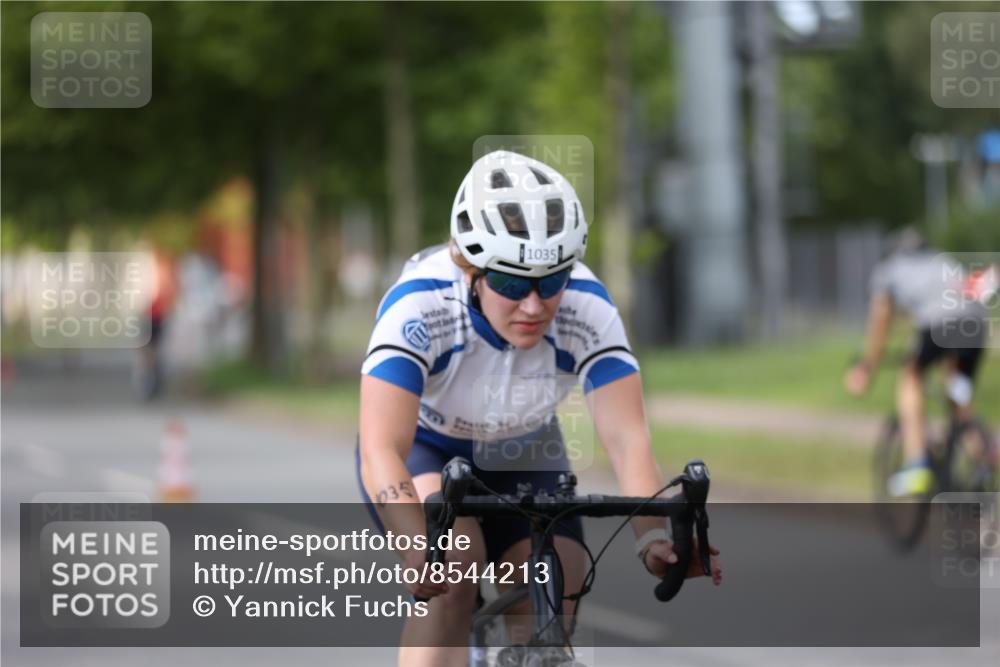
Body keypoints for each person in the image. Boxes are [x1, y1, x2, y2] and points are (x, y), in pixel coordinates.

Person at [356, 150, 721, 666]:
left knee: (558, 579)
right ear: (472, 269)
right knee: (454, 570)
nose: (534, 305)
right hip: (425, 449)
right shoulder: (420, 306)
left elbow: (626, 439)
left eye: (551, 282)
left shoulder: (587, 307)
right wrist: (419, 547)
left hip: (524, 449)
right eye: (510, 283)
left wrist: (654, 539)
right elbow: (380, 446)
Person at [844, 227, 990, 496]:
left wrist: (867, 365)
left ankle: (917, 463)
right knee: (957, 389)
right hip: (975, 324)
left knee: (910, 376)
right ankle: (982, 453)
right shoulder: (943, 260)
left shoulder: (888, 270)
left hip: (939, 325)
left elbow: (880, 324)